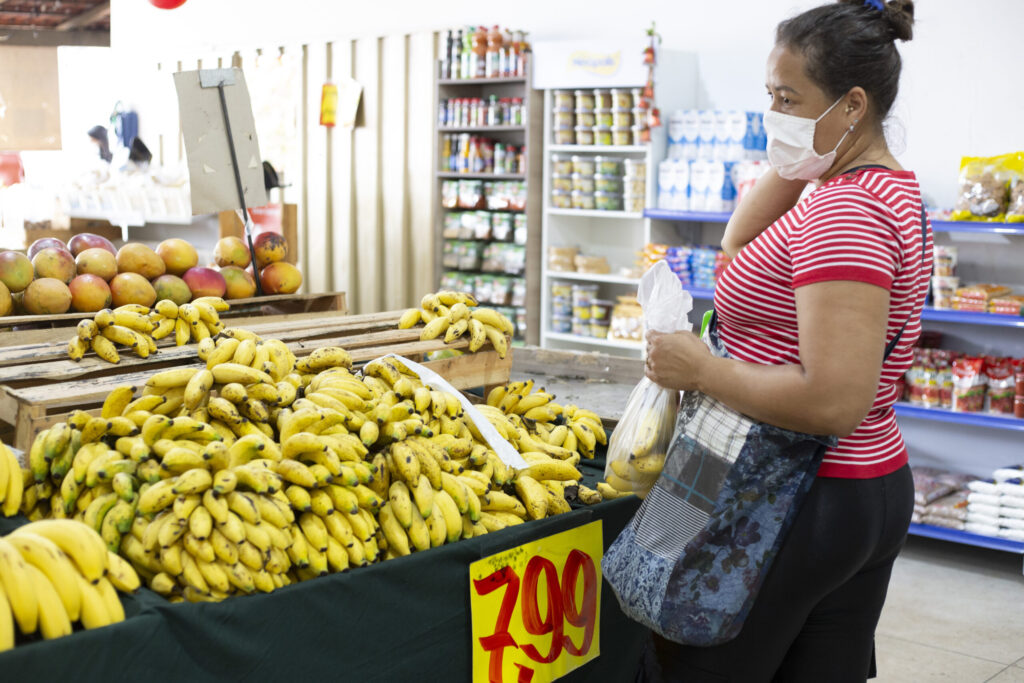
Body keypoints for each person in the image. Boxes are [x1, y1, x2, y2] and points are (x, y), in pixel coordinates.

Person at [641, 0, 929, 680]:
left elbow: (832, 400)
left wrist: (701, 369)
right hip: (862, 486)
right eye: (769, 94)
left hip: (797, 488)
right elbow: (738, 247)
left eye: (787, 98)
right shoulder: (882, 188)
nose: (773, 112)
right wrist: (800, 153)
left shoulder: (845, 213)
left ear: (852, 104)